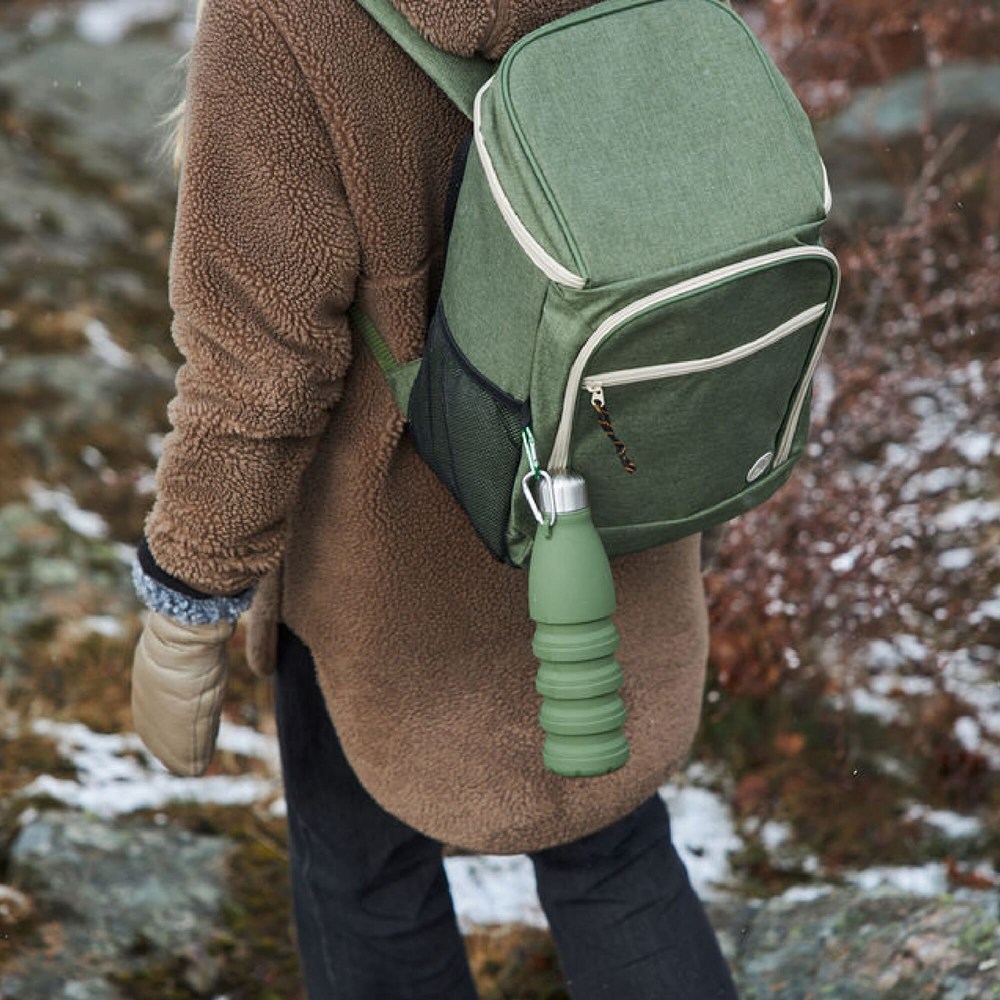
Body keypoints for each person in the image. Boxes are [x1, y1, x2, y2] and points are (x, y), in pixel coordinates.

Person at [129, 1, 740, 996]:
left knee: (368, 882)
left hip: (386, 576)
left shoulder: (279, 17)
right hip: (609, 487)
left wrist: (187, 598)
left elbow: (261, 372)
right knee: (613, 858)